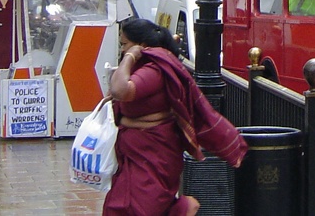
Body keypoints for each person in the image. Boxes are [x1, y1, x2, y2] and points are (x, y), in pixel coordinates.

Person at [104, 17, 247, 216]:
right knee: (121, 205)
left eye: (124, 44)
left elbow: (121, 90)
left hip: (153, 151)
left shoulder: (153, 70)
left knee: (142, 208)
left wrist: (130, 56)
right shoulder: (143, 68)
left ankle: (186, 208)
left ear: (141, 45)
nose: (122, 50)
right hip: (135, 153)